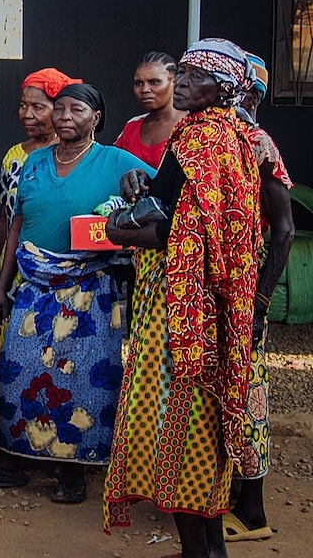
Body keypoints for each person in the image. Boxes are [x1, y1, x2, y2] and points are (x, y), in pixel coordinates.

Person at [103, 38, 262, 558]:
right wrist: (142, 186)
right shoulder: (224, 135)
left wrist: (120, 232)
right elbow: (170, 199)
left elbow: (182, 231)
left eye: (196, 76)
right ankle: (205, 547)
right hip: (212, 306)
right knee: (203, 422)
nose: (184, 83)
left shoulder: (205, 141)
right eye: (185, 73)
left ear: (224, 87)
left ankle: (201, 551)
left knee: (182, 420)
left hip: (184, 311)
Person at [0, 83, 152, 504]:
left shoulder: (116, 161)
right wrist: (0, 285)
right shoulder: (32, 162)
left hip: (90, 289)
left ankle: (73, 469)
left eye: (78, 109)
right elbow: (15, 224)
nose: (66, 116)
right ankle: (10, 460)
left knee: (85, 377)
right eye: (61, 109)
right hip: (32, 287)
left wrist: (135, 193)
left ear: (96, 118)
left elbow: (160, 198)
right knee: (16, 371)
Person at [223, 53, 295, 543]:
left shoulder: (256, 142)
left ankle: (252, 512)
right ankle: (219, 499)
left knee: (248, 396)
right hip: (211, 295)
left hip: (244, 296)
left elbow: (285, 229)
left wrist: (261, 303)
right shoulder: (207, 141)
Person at [0, 68, 77, 270]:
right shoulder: (14, 155)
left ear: (59, 110)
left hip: (55, 267)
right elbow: (4, 218)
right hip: (12, 266)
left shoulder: (71, 156)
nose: (27, 114)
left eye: (38, 107)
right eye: (23, 106)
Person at [113, 51, 184, 168]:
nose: (145, 89)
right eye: (138, 83)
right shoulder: (132, 126)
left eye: (154, 82)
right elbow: (113, 167)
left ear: (174, 82)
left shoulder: (190, 126)